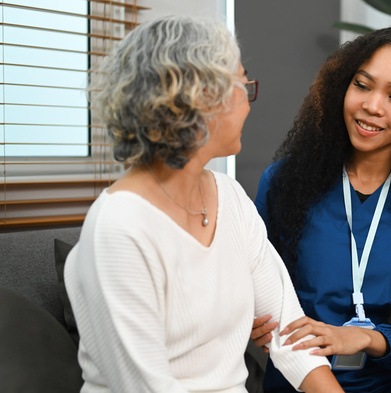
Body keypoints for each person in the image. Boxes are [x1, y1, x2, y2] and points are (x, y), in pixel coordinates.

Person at [64, 15, 343, 393]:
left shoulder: (230, 198)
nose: (248, 102)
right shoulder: (118, 228)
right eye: (243, 84)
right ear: (201, 99)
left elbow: (292, 337)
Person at [252, 26, 391, 392]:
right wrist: (255, 319)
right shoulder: (284, 184)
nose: (372, 106)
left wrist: (367, 340)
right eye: (363, 85)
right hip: (307, 372)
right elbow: (255, 287)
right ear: (342, 87)